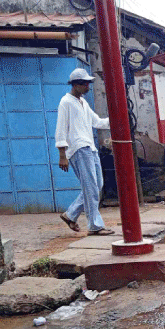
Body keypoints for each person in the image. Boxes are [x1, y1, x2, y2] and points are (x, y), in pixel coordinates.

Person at [55, 68, 114, 236]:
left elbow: (97, 122)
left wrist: (117, 119)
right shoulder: (65, 102)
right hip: (79, 149)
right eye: (85, 84)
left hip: (90, 147)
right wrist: (62, 155)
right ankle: (95, 225)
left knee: (96, 186)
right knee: (91, 188)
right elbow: (60, 130)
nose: (88, 87)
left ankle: (71, 214)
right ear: (76, 85)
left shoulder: (83, 102)